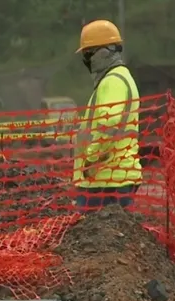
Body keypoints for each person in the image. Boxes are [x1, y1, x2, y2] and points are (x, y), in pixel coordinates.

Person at [72, 19, 142, 210]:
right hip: (110, 179)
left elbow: (109, 123)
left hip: (105, 181)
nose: (87, 60)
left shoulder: (112, 82)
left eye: (89, 53)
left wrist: (92, 159)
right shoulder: (117, 78)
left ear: (104, 52)